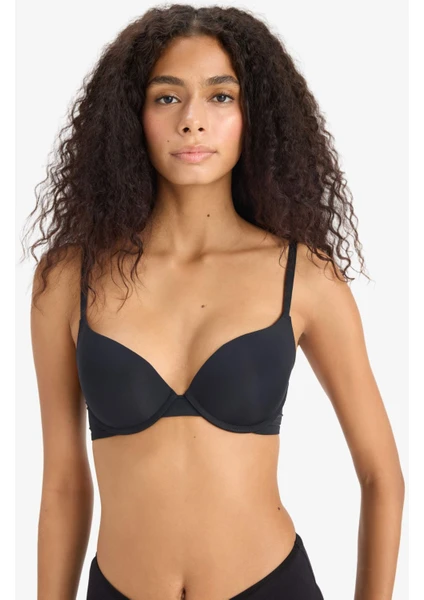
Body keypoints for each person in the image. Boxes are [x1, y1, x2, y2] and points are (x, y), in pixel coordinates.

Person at [23, 4, 405, 599]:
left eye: (220, 97)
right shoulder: (69, 278)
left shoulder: (304, 276)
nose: (193, 122)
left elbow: (382, 476)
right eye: (167, 98)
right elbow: (64, 486)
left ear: (255, 116)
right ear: (132, 115)